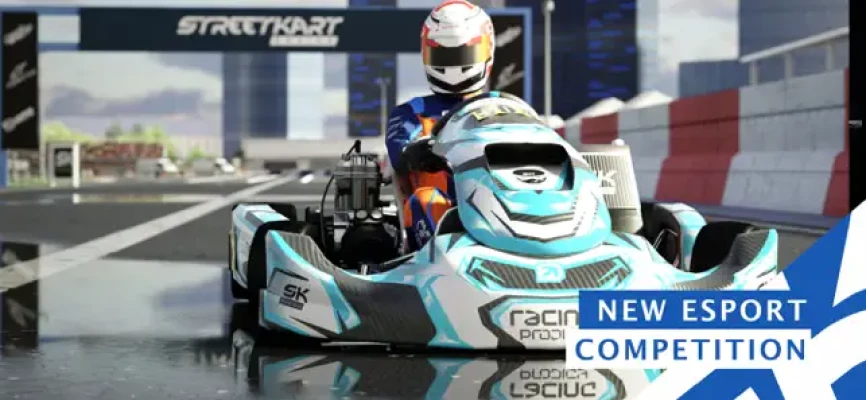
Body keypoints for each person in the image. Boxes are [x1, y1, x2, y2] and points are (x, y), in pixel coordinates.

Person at [386, 0, 495, 252]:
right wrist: (422, 151)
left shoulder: (502, 104)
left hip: (498, 203)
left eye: (463, 55)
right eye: (445, 56)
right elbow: (400, 154)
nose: (454, 65)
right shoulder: (412, 112)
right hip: (446, 212)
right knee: (426, 200)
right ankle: (438, 262)